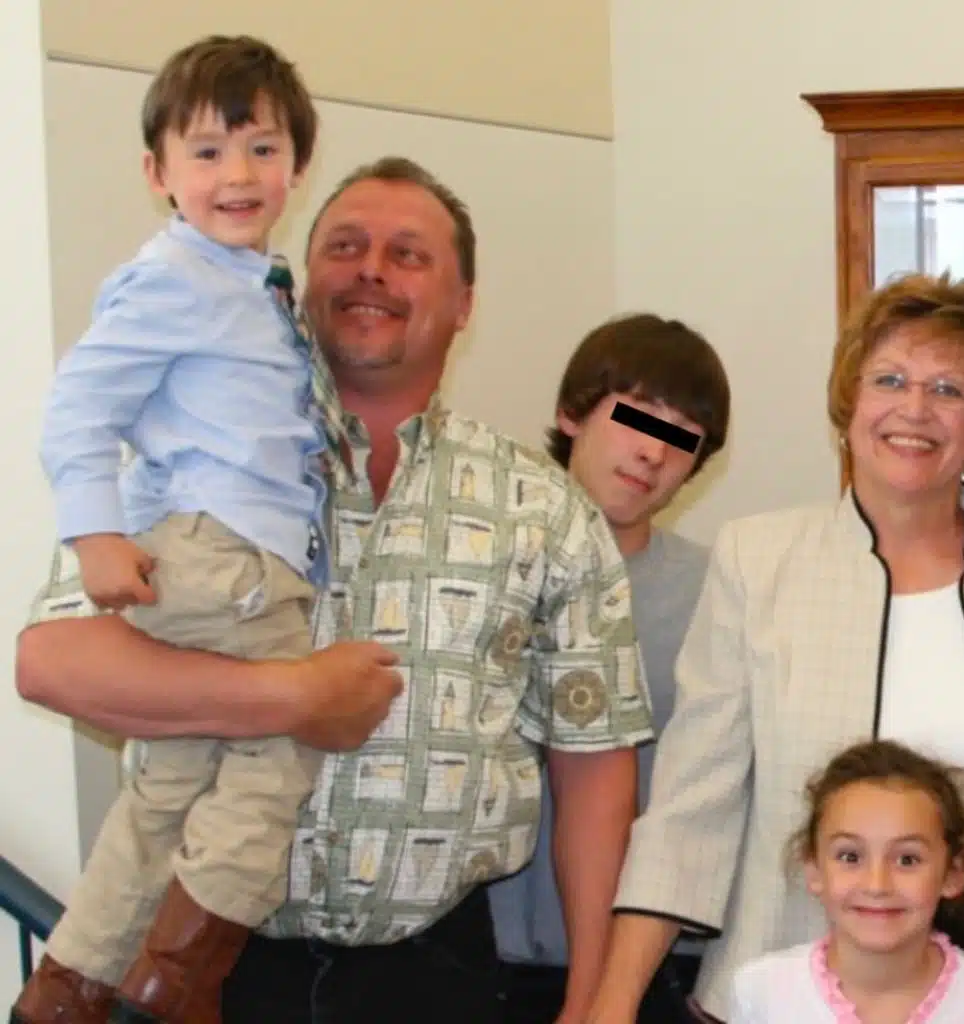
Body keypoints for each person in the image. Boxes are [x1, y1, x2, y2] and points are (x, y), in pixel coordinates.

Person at [14, 155, 654, 1024]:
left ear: (465, 303)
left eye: (408, 254)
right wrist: (294, 697)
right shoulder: (183, 463)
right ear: (298, 286)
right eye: (345, 247)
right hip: (204, 976)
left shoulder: (543, 508)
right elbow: (52, 664)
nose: (372, 271)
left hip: (438, 979)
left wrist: (594, 1001)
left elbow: (594, 765)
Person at [11, 35, 371, 1024]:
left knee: (166, 789)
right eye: (207, 152)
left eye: (261, 148)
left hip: (225, 556)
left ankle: (66, 989)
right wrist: (94, 535)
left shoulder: (254, 283)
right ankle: (177, 979)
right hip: (227, 559)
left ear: (298, 165)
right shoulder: (177, 276)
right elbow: (76, 410)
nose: (237, 174)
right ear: (157, 173)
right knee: (280, 752)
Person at [588, 272, 964, 1023]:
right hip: (785, 983)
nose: (915, 409)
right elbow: (691, 808)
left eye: (948, 389)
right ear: (849, 402)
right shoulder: (758, 561)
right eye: (890, 380)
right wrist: (612, 1004)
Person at [488, 312, 730, 1023]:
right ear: (572, 413)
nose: (653, 452)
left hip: (654, 967)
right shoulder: (480, 570)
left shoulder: (716, 593)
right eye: (637, 417)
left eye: (683, 437)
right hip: (480, 954)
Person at [729, 739, 964, 1022]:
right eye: (850, 857)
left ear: (953, 873)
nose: (877, 885)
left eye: (907, 859)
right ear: (814, 869)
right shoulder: (762, 993)